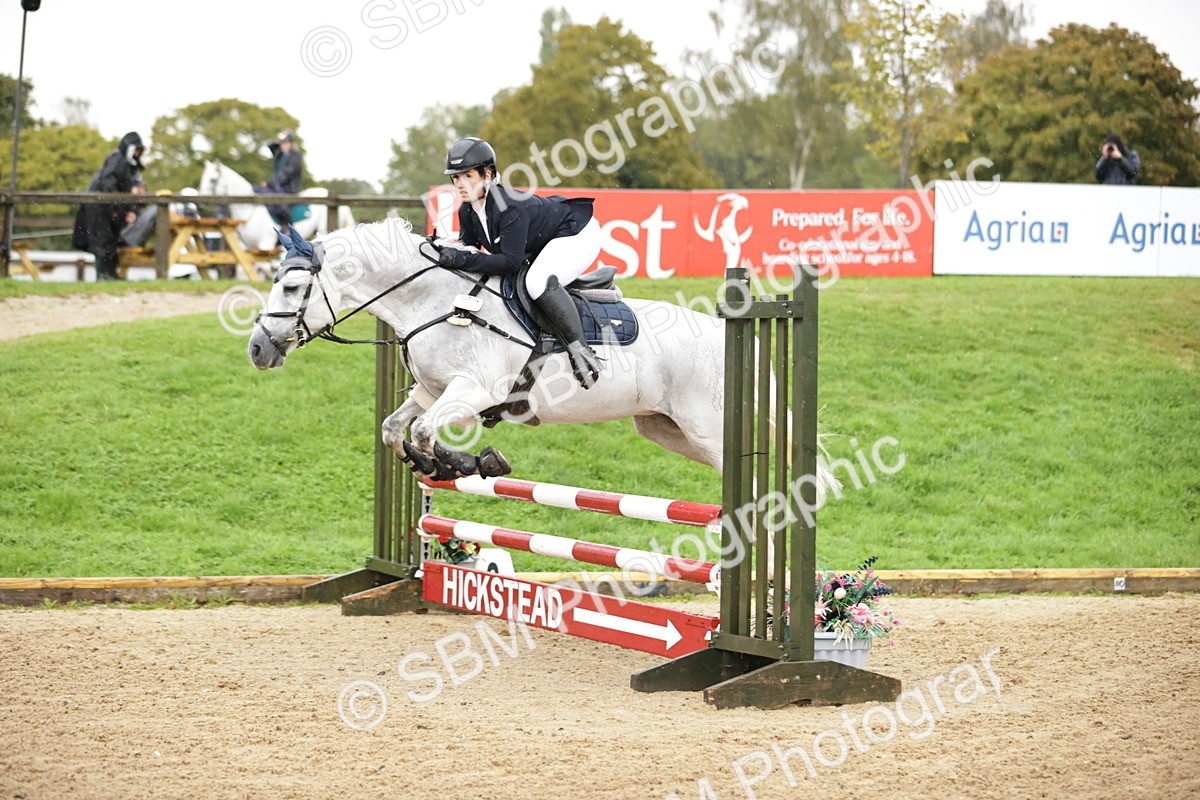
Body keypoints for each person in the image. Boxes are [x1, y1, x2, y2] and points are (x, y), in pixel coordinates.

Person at [437, 137, 603, 389]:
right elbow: (469, 250)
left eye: (467, 176)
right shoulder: (467, 211)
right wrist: (441, 249)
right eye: (455, 177)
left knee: (537, 281)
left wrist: (460, 258)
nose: (459, 184)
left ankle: (581, 352)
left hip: (577, 233)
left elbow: (510, 263)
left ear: (487, 175)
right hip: (546, 238)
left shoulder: (509, 207)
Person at [71, 131, 145, 280]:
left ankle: (111, 274)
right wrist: (118, 206)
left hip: (112, 208)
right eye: (136, 150)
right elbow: (109, 184)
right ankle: (102, 275)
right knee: (101, 240)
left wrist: (130, 210)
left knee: (112, 241)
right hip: (100, 207)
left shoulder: (131, 168)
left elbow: (130, 191)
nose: (138, 154)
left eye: (139, 151)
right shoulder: (117, 159)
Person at [256, 129, 303, 225]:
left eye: (285, 142)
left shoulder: (296, 156)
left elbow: (287, 174)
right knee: (257, 190)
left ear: (291, 143)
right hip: (278, 185)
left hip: (289, 189)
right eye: (281, 143)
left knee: (276, 200)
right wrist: (279, 139)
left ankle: (287, 224)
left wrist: (269, 182)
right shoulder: (280, 155)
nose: (282, 145)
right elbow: (271, 146)